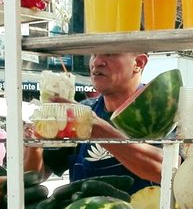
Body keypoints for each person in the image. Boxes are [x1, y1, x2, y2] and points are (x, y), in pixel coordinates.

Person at [26, 52, 162, 191]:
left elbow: (168, 170)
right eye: (93, 54)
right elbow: (35, 176)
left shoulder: (162, 111)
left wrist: (98, 129)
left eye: (109, 54)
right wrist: (35, 143)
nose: (97, 62)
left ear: (138, 63)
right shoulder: (81, 110)